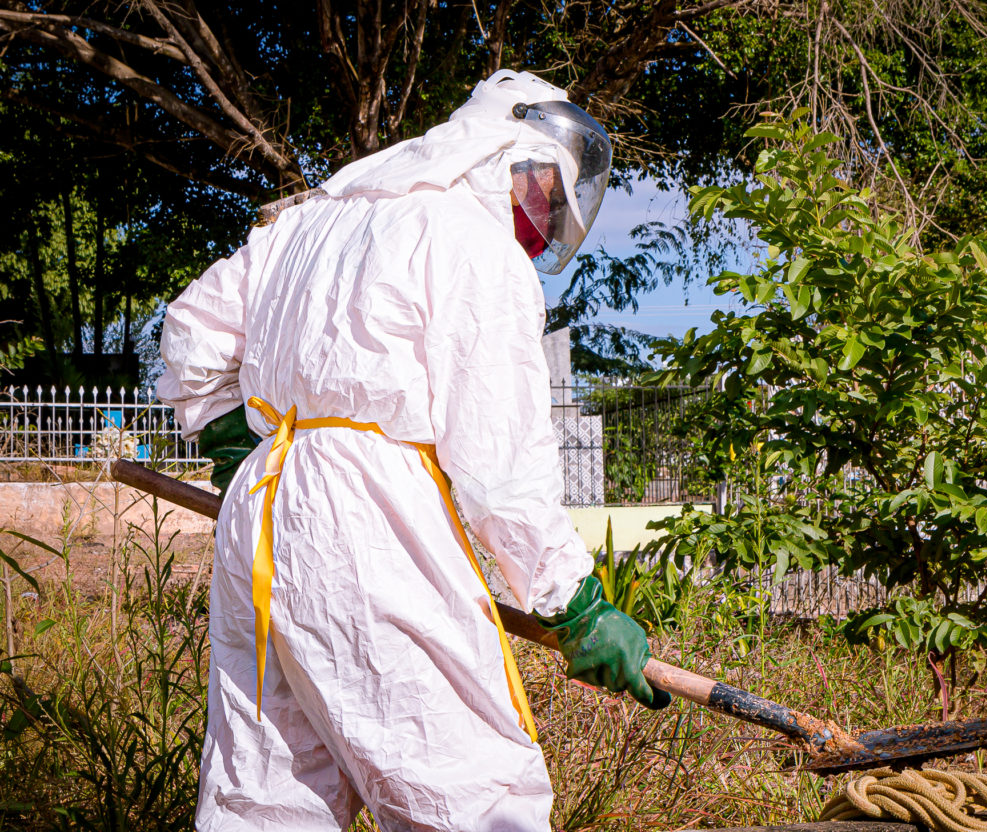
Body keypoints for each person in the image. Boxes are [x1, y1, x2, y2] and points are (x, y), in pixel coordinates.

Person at [157, 69, 667, 832]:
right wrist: (574, 604)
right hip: (369, 522)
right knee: (472, 792)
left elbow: (191, 331)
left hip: (260, 514)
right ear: (501, 157)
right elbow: (501, 465)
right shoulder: (470, 243)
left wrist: (240, 450)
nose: (542, 222)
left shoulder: (305, 225)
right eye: (542, 195)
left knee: (267, 800)